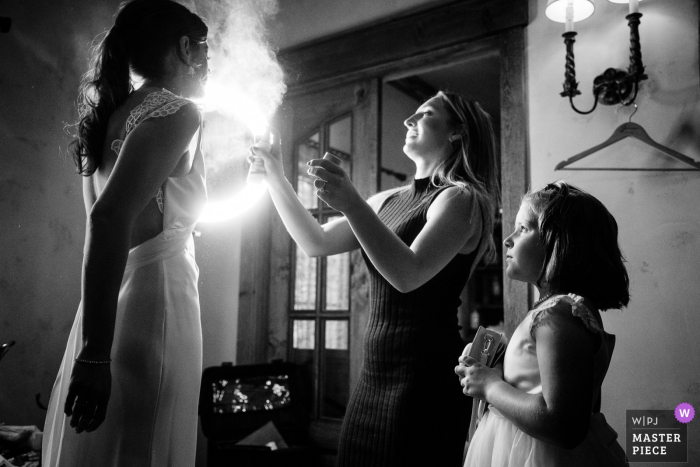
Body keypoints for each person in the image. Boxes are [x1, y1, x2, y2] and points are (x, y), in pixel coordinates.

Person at [252, 91, 500, 466]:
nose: (408, 121)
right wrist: (275, 175)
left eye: (424, 114)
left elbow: (408, 274)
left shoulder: (461, 199)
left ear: (456, 133)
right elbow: (314, 242)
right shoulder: (387, 200)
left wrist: (351, 202)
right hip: (373, 379)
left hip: (425, 380)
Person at [42, 1, 209, 465]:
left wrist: (94, 345)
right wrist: (95, 356)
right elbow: (108, 219)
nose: (209, 68)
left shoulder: (110, 115)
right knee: (144, 442)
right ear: (184, 47)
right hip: (158, 302)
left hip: (109, 302)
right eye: (206, 52)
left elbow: (103, 221)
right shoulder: (181, 112)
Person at [455, 181, 630, 467]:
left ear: (559, 240)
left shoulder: (559, 316)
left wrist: (489, 386)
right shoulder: (553, 311)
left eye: (523, 229)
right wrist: (497, 368)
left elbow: (562, 423)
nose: (507, 239)